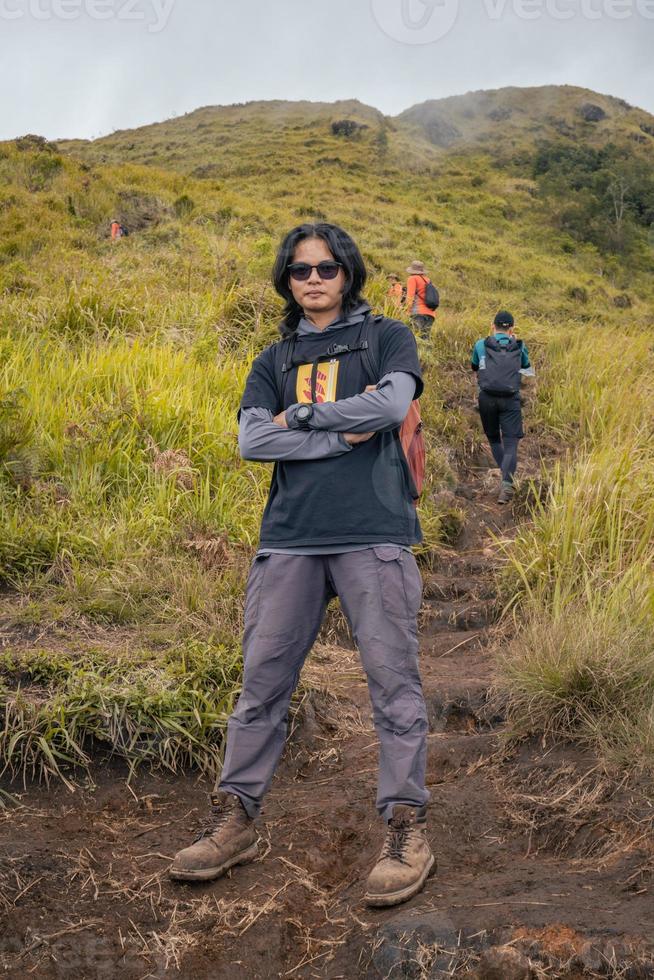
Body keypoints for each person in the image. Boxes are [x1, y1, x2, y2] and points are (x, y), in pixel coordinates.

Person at [170, 222, 434, 908]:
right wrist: (341, 433)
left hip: (372, 532)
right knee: (260, 687)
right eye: (299, 270)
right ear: (286, 280)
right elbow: (254, 440)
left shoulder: (386, 338)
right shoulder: (272, 357)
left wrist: (304, 421)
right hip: (288, 538)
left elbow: (393, 403)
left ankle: (406, 827)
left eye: (325, 268)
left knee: (393, 687)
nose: (313, 279)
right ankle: (236, 820)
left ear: (347, 271)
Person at [471, 311, 532, 504]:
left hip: (486, 398)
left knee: (495, 440)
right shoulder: (518, 345)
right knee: (511, 443)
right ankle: (507, 483)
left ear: (493, 325)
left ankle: (507, 480)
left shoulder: (481, 344)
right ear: (511, 329)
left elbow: (474, 366)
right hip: (510, 398)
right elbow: (526, 365)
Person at [405, 260, 438, 339]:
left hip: (418, 313)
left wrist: (407, 311)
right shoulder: (427, 280)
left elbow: (410, 297)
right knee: (425, 339)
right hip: (431, 314)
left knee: (415, 338)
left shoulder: (412, 278)